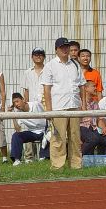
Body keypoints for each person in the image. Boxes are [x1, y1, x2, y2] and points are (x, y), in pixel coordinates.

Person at [42, 37, 86, 170]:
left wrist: (83, 105)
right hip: (58, 107)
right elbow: (46, 89)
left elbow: (82, 86)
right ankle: (57, 166)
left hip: (74, 106)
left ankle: (76, 165)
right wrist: (49, 110)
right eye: (62, 47)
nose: (65, 49)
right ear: (56, 50)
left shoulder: (76, 64)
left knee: (75, 137)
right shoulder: (50, 66)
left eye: (67, 47)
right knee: (58, 138)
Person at [9, 92, 49, 165]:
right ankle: (17, 159)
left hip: (44, 129)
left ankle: (44, 157)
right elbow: (18, 129)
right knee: (16, 136)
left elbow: (47, 113)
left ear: (23, 100)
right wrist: (13, 115)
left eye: (17, 101)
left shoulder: (36, 104)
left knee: (49, 134)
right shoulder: (18, 112)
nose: (16, 104)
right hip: (32, 132)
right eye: (14, 103)